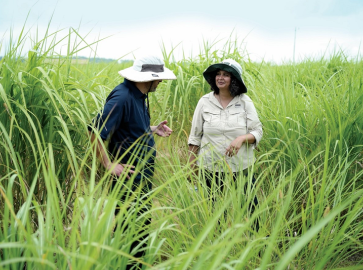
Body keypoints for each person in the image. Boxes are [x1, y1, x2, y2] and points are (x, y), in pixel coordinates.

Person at [88, 55, 176, 268]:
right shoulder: (123, 97)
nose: (161, 82)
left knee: (140, 229)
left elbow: (129, 127)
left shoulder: (139, 95)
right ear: (149, 78)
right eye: (159, 78)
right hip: (128, 180)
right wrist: (109, 164)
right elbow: (94, 131)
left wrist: (152, 129)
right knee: (130, 232)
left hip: (142, 178)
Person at [188, 59, 263, 225]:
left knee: (250, 208)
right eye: (218, 74)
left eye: (226, 75)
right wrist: (190, 166)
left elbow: (257, 131)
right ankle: (217, 244)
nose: (220, 78)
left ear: (234, 79)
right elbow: (195, 137)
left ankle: (258, 245)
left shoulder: (244, 101)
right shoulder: (204, 102)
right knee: (214, 212)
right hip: (210, 166)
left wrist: (241, 138)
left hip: (240, 166)